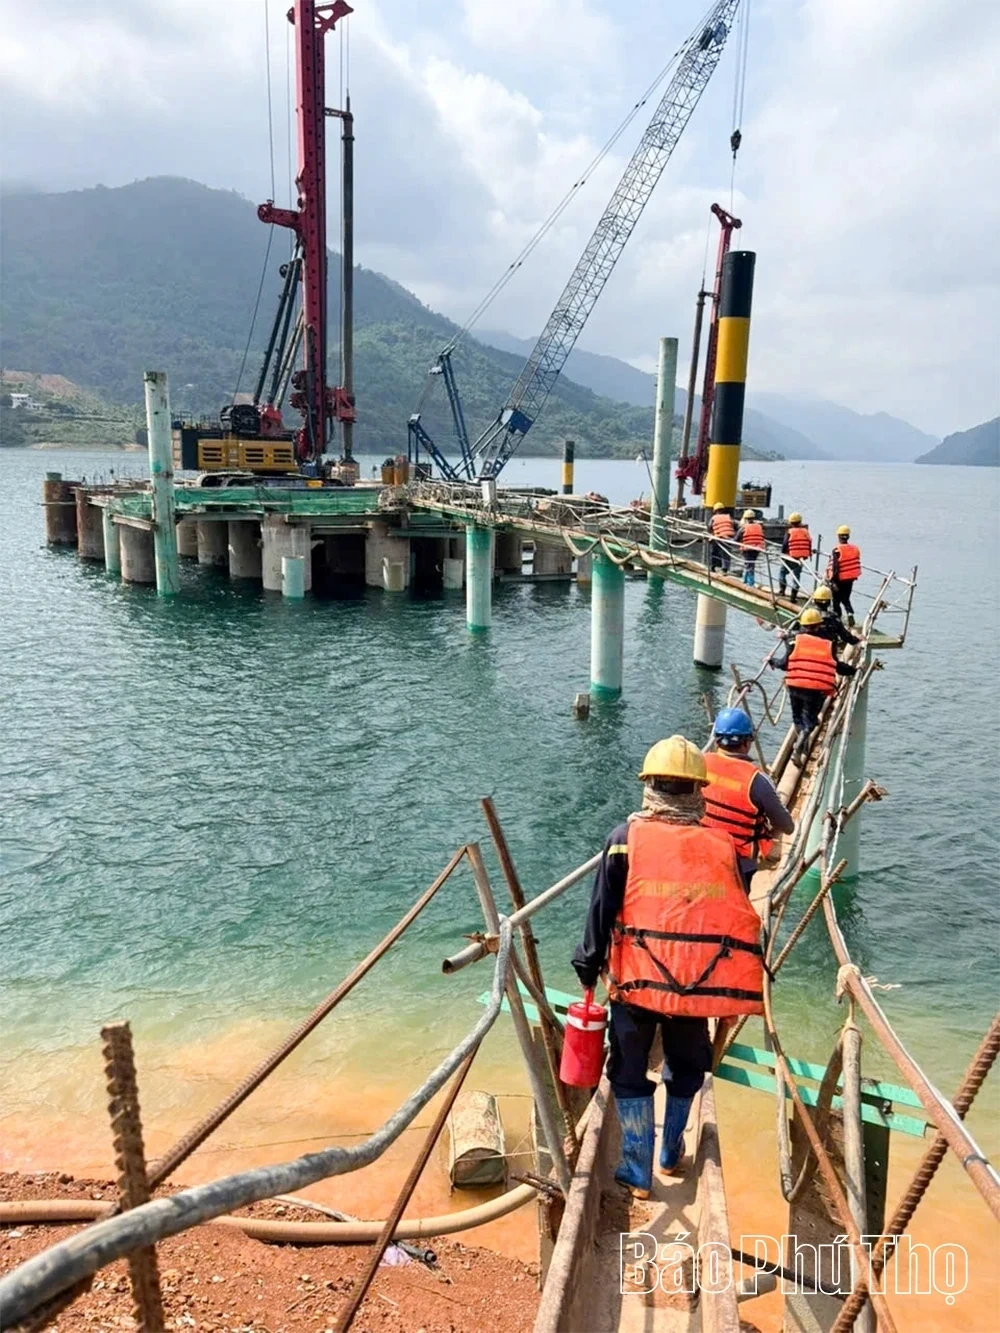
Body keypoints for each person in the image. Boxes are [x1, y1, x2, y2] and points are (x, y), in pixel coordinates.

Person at [571, 736, 764, 1196]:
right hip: (695, 987)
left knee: (629, 1069)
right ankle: (670, 1150)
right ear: (698, 791)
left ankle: (636, 1167)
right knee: (685, 1066)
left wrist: (586, 965)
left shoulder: (624, 840)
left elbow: (601, 910)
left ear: (650, 786)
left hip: (636, 982)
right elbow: (743, 893)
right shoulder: (722, 846)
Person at [703, 708, 795, 890]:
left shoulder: (699, 763)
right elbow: (787, 826)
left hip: (701, 852)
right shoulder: (757, 781)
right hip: (738, 864)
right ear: (746, 743)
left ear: (717, 740)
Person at [779, 608, 856, 762]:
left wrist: (771, 661)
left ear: (803, 625)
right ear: (819, 625)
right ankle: (798, 748)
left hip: (794, 685)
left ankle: (801, 747)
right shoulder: (826, 644)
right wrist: (853, 670)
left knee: (797, 718)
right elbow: (836, 665)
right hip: (814, 688)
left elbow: (783, 663)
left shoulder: (794, 640)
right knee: (810, 722)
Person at [826, 526, 862, 625]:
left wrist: (832, 581)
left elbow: (835, 567)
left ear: (838, 536)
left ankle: (838, 618)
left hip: (839, 579)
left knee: (836, 600)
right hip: (850, 578)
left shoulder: (837, 550)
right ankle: (850, 613)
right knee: (846, 598)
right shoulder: (855, 548)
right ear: (848, 536)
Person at [808, 585, 859, 655]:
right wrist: (857, 639)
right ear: (829, 602)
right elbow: (846, 637)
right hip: (828, 654)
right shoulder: (833, 619)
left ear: (814, 600)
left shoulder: (807, 615)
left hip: (809, 652)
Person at [778, 512, 812, 603]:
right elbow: (809, 542)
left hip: (791, 557)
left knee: (782, 573)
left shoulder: (789, 532)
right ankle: (793, 597)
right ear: (800, 522)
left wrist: (782, 554)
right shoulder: (805, 532)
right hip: (801, 559)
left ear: (790, 522)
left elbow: (785, 544)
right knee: (796, 577)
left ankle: (782, 591)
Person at [737, 509, 765, 586]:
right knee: (750, 564)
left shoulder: (743, 527)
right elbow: (762, 536)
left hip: (747, 549)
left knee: (749, 564)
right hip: (757, 549)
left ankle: (751, 583)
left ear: (745, 518)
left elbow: (736, 538)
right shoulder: (759, 526)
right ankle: (745, 579)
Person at [707, 502, 735, 573]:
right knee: (726, 553)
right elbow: (733, 525)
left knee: (714, 552)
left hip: (719, 537)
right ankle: (724, 569)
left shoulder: (714, 518)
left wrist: (712, 532)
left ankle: (713, 566)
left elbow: (709, 527)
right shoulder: (728, 516)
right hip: (729, 537)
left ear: (715, 511)